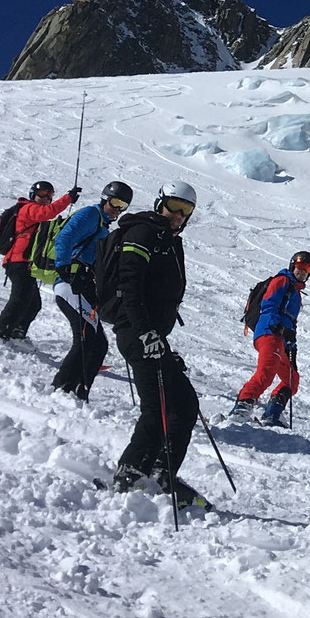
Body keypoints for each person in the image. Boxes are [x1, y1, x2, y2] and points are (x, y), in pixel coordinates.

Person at [97, 181, 204, 507]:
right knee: (158, 407)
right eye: (174, 206)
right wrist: (145, 332)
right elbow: (130, 287)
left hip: (153, 336)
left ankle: (162, 472)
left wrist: (157, 339)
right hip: (136, 332)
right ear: (160, 203)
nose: (178, 215)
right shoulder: (143, 233)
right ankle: (130, 473)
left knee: (184, 403)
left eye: (186, 210)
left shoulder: (167, 240)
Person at [48, 180, 132, 400]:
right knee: (86, 338)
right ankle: (62, 387)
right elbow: (65, 237)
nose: (117, 209)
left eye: (122, 206)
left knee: (98, 343)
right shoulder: (90, 215)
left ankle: (78, 389)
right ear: (105, 198)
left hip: (82, 285)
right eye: (114, 202)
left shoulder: (103, 226)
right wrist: (64, 267)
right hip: (70, 283)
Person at [231, 251, 310, 425]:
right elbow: (269, 304)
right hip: (270, 333)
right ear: (292, 265)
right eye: (300, 266)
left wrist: (292, 349)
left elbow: (291, 324)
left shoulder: (296, 293)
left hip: (281, 340)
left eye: (307, 268)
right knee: (266, 373)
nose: (302, 271)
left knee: (291, 379)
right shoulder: (282, 281)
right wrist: (278, 327)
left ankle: (273, 413)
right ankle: (242, 407)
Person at [0, 180, 79, 341]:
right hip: (18, 261)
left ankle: (17, 333)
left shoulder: (34, 211)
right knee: (19, 298)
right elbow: (47, 213)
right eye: (41, 194)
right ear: (33, 195)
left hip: (26, 263)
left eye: (49, 195)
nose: (45, 198)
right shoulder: (28, 208)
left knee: (33, 304)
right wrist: (68, 198)